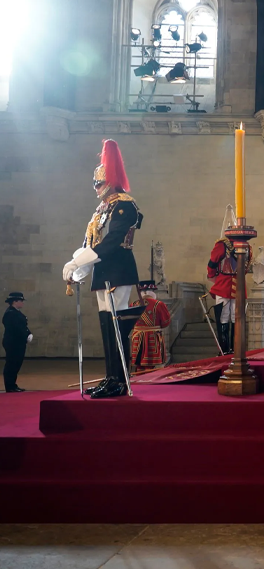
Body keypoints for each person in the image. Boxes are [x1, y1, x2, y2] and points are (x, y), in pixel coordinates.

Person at [61, 140, 143, 399]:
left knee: (117, 327)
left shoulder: (124, 205)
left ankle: (119, 380)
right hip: (103, 272)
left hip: (118, 270)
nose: (96, 187)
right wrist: (78, 271)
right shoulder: (102, 208)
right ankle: (111, 378)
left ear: (110, 180)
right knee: (107, 325)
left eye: (99, 182)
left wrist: (78, 262)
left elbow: (111, 241)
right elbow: (92, 241)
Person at [207, 226, 252, 354]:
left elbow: (212, 263)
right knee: (236, 317)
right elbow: (246, 268)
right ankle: (236, 349)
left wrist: (212, 276)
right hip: (239, 286)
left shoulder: (221, 245)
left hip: (223, 285)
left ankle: (224, 350)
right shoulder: (247, 247)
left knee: (223, 317)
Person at [129, 281, 172, 374]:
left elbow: (129, 321)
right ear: (152, 291)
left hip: (137, 335)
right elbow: (166, 322)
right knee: (151, 362)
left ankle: (139, 377)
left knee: (139, 361)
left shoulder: (133, 304)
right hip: (152, 336)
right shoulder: (159, 304)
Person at [3, 292, 32, 393]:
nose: (22, 303)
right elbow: (16, 328)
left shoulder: (16, 312)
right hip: (13, 343)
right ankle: (10, 386)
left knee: (16, 364)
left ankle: (13, 385)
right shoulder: (10, 313)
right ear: (15, 301)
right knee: (12, 364)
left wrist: (28, 333)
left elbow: (22, 326)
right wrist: (26, 334)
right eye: (21, 301)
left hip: (18, 342)